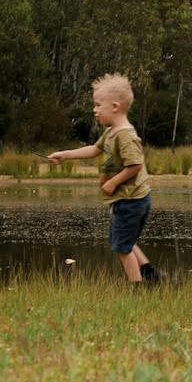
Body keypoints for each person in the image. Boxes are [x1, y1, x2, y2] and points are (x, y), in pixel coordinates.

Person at [46, 74, 162, 284]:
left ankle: (137, 288)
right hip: (128, 200)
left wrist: (113, 181)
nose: (95, 110)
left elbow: (135, 164)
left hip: (132, 201)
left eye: (98, 105)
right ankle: (150, 273)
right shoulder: (111, 132)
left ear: (115, 107)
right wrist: (64, 155)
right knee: (124, 240)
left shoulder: (125, 135)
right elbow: (95, 149)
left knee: (122, 248)